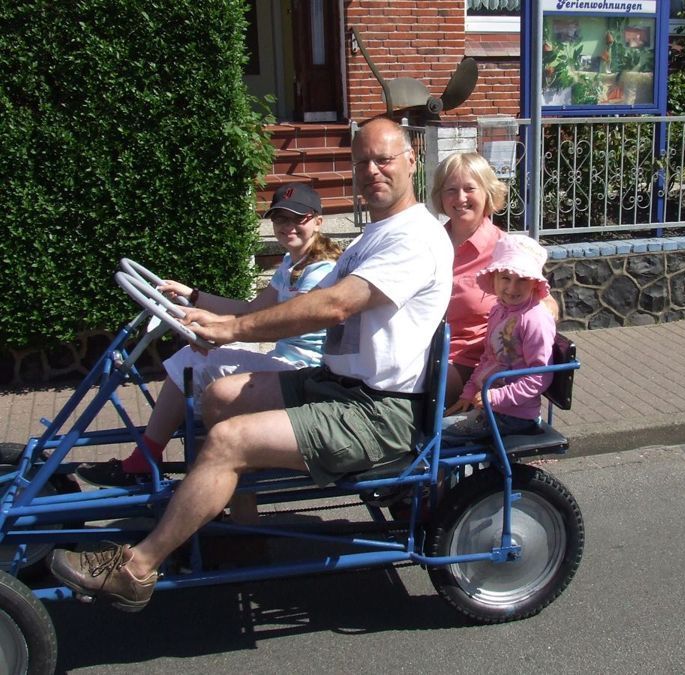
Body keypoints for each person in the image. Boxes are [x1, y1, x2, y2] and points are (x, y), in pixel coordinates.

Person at [49, 117, 454, 611]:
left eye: (383, 159)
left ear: (411, 160)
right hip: (337, 385)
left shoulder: (414, 237)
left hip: (379, 411)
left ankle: (136, 570)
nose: (372, 170)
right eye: (362, 162)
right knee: (219, 395)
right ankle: (241, 532)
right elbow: (286, 306)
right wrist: (208, 313)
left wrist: (233, 329)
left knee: (228, 440)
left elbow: (335, 306)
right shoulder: (374, 235)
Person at [75, 183, 341, 487]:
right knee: (194, 366)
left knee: (192, 364)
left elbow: (282, 324)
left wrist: (220, 329)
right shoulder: (291, 263)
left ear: (318, 221)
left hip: (305, 372)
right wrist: (193, 295)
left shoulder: (320, 271)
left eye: (298, 218)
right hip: (285, 362)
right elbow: (252, 309)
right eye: (280, 218)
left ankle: (146, 463)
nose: (288, 226)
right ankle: (188, 472)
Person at [430, 152, 558, 407]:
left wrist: (536, 313)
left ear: (487, 193)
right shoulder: (429, 242)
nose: (460, 198)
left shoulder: (507, 251)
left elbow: (545, 303)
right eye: (451, 190)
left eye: (469, 189)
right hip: (425, 351)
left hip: (472, 364)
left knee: (418, 388)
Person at [443, 235, 556, 441]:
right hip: (490, 403)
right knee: (433, 422)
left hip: (514, 416)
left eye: (522, 279)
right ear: (494, 278)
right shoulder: (498, 310)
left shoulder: (535, 319)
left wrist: (495, 396)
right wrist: (469, 392)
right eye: (505, 278)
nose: (512, 288)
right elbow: (488, 358)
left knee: (438, 434)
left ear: (534, 283)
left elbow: (540, 376)